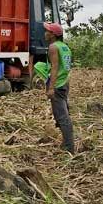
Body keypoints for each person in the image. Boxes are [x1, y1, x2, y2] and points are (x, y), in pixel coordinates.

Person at [43, 22, 75, 153]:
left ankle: (69, 147)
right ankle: (67, 143)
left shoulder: (53, 47)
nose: (45, 33)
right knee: (63, 114)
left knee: (62, 116)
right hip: (64, 83)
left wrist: (51, 88)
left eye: (47, 31)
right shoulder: (64, 47)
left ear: (53, 35)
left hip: (57, 85)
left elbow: (55, 68)